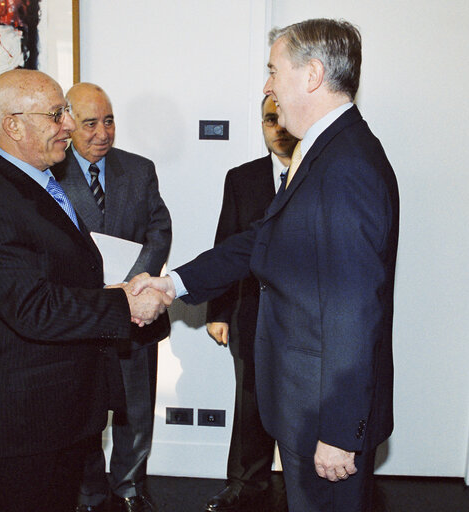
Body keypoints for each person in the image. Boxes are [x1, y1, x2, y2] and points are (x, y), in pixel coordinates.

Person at [131, 18, 399, 512]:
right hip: (304, 403)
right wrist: (173, 283)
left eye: (275, 70)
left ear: (313, 74)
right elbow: (259, 240)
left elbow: (354, 310)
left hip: (325, 415)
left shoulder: (348, 167)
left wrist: (342, 432)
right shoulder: (321, 151)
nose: (267, 84)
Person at [0, 69, 170, 512]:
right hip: (21, 425)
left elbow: (62, 276)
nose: (69, 125)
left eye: (66, 112)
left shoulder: (35, 183)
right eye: (56, 114)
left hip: (57, 412)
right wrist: (123, 303)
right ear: (13, 125)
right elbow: (34, 308)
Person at [51, 82, 171, 512]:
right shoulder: (51, 175)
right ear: (66, 122)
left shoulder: (140, 170)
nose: (103, 132)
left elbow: (160, 229)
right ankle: (88, 493)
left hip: (135, 311)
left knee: (136, 411)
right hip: (83, 316)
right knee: (84, 414)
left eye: (109, 120)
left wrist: (134, 283)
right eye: (89, 123)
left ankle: (130, 488)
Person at [203, 95, 297, 512]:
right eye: (268, 119)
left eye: (282, 118)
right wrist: (218, 312)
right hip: (250, 314)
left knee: (301, 406)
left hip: (304, 319)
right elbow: (227, 246)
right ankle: (246, 484)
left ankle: (304, 489)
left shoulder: (320, 175)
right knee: (251, 404)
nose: (276, 128)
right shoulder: (241, 179)